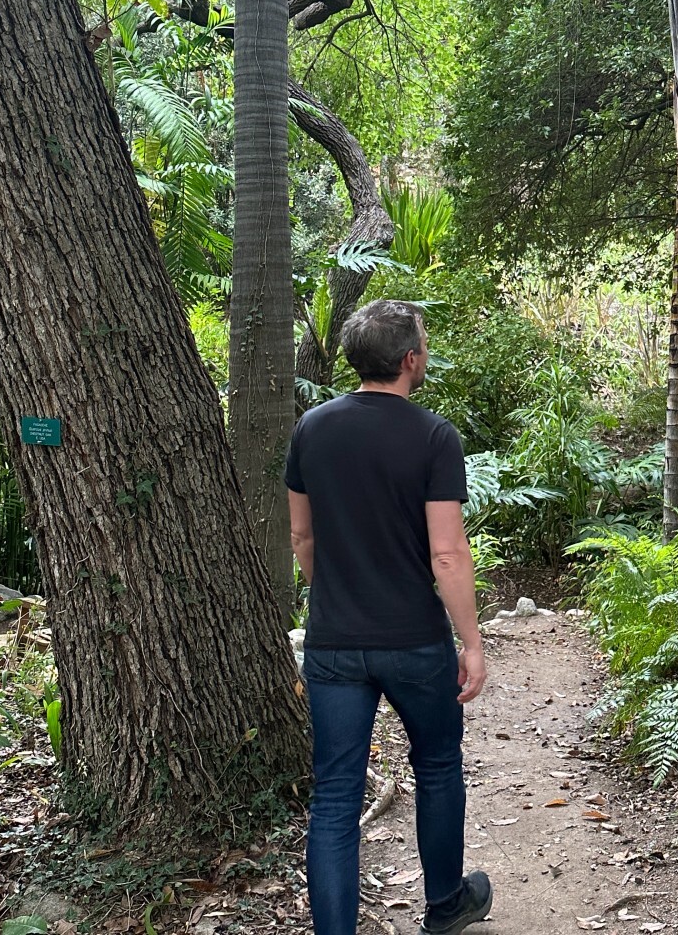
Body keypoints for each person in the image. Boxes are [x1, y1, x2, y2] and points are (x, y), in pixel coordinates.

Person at [285, 299, 492, 935]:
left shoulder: (312, 429)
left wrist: (338, 597)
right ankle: (444, 905)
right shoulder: (433, 437)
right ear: (409, 360)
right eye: (423, 346)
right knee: (436, 767)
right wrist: (472, 642)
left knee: (336, 797)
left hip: (334, 644)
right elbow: (448, 552)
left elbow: (302, 537)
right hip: (413, 640)